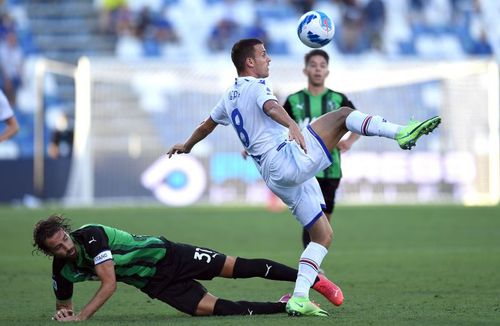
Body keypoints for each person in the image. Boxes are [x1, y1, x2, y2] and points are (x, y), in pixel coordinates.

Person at [166, 38, 440, 317]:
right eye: (263, 54)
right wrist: (292, 124)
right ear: (249, 62)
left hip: (274, 176)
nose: (268, 59)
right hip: (286, 159)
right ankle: (400, 133)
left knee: (322, 235)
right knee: (344, 115)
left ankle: (298, 298)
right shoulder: (256, 87)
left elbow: (207, 124)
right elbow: (271, 107)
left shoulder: (230, 95)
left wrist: (187, 145)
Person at [32, 214, 340, 321]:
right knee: (220, 310)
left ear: (67, 232)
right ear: (49, 253)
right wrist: (64, 312)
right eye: (57, 247)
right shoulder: (62, 270)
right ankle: (285, 305)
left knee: (240, 267)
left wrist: (82, 318)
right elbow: (63, 304)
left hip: (170, 255)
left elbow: (109, 284)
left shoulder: (90, 236)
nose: (66, 246)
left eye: (64, 239)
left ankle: (309, 279)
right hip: (156, 285)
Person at [283, 49, 360, 254]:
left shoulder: (337, 99)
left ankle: (313, 262)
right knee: (311, 218)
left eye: (322, 66)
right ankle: (313, 267)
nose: (318, 69)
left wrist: (350, 141)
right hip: (304, 169)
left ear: (327, 71)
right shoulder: (293, 100)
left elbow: (359, 121)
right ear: (305, 70)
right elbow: (278, 128)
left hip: (331, 169)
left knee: (325, 220)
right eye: (313, 65)